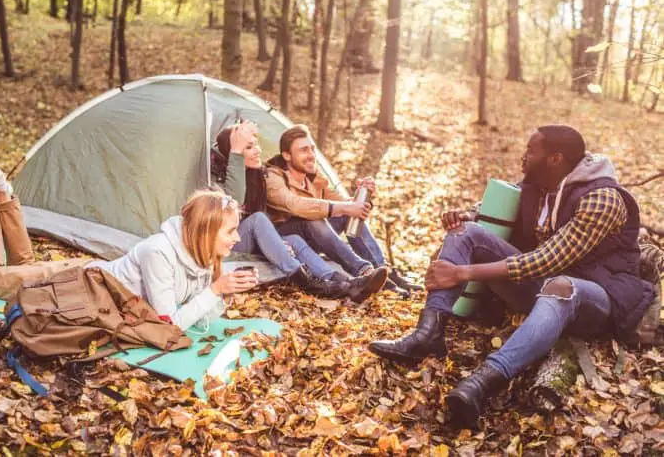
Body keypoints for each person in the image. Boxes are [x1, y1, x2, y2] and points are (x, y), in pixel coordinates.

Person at [368, 125, 654, 428]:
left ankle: (484, 382)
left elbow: (547, 260)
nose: (524, 156)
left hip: (597, 298)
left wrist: (463, 272)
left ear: (555, 159)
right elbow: (502, 205)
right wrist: (469, 215)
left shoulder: (602, 199)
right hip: (543, 288)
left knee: (560, 286)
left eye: (531, 151)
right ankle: (428, 333)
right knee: (465, 233)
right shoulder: (542, 183)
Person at [0, 157, 259, 332]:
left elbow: (197, 320)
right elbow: (168, 324)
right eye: (231, 230)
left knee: (23, 268)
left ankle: (6, 197)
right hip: (76, 284)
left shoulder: (201, 256)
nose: (237, 237)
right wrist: (215, 290)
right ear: (205, 232)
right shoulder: (160, 252)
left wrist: (222, 293)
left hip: (90, 284)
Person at [211, 121, 388, 303]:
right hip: (231, 241)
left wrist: (361, 198)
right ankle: (310, 282)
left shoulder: (261, 175)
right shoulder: (235, 178)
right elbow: (236, 202)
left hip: (270, 236)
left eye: (256, 144)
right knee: (260, 219)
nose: (257, 150)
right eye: (248, 147)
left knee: (294, 239)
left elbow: (342, 204)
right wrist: (236, 154)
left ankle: (348, 283)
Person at [264, 124, 421, 297]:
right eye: (303, 150)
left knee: (346, 213)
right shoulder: (273, 176)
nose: (311, 155)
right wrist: (344, 207)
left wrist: (362, 197)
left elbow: (343, 203)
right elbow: (295, 204)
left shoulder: (313, 179)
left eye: (312, 149)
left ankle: (385, 273)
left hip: (313, 237)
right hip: (285, 239)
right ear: (286, 155)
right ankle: (363, 271)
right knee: (316, 215)